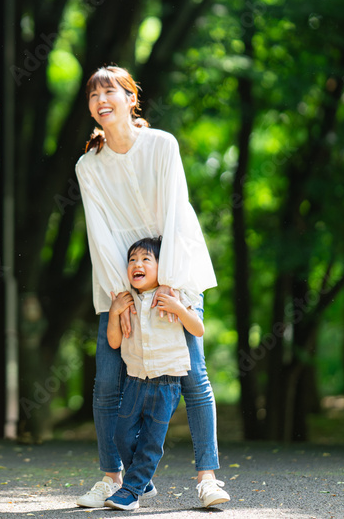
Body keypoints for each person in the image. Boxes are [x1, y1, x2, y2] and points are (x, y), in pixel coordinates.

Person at [74, 66, 230, 509]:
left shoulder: (162, 145)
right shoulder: (89, 165)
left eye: (111, 91)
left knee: (193, 376)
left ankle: (207, 478)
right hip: (122, 279)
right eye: (94, 94)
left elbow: (176, 215)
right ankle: (114, 477)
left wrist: (175, 287)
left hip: (176, 273)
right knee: (107, 381)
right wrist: (118, 295)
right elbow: (99, 233)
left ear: (130, 99)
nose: (102, 99)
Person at [103, 236, 205, 510]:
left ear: (163, 268)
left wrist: (179, 309)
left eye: (146, 259)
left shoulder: (173, 296)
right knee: (121, 435)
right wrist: (114, 313)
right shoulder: (126, 300)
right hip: (135, 381)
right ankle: (143, 480)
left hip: (166, 384)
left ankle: (131, 492)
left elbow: (198, 329)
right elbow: (114, 342)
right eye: (132, 260)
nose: (137, 264)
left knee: (151, 441)